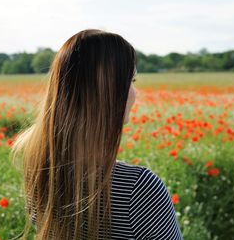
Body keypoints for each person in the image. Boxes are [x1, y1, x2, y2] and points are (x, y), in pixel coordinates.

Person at [11, 29, 183, 240]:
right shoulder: (138, 189)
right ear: (109, 91)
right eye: (131, 81)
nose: (134, 93)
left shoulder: (40, 168)